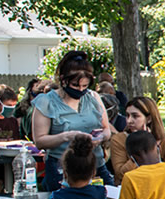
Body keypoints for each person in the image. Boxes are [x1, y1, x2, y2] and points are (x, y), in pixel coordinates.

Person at [32, 50, 114, 191]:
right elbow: (39, 141)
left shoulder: (93, 97)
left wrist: (100, 137)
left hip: (95, 164)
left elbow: (107, 130)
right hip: (62, 168)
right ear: (63, 80)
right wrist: (67, 136)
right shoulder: (46, 102)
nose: (80, 90)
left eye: (85, 86)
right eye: (76, 86)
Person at [108, 96, 165, 184]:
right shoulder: (118, 139)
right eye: (127, 115)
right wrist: (141, 145)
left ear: (149, 119)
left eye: (135, 116)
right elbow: (121, 174)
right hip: (128, 187)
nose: (129, 121)